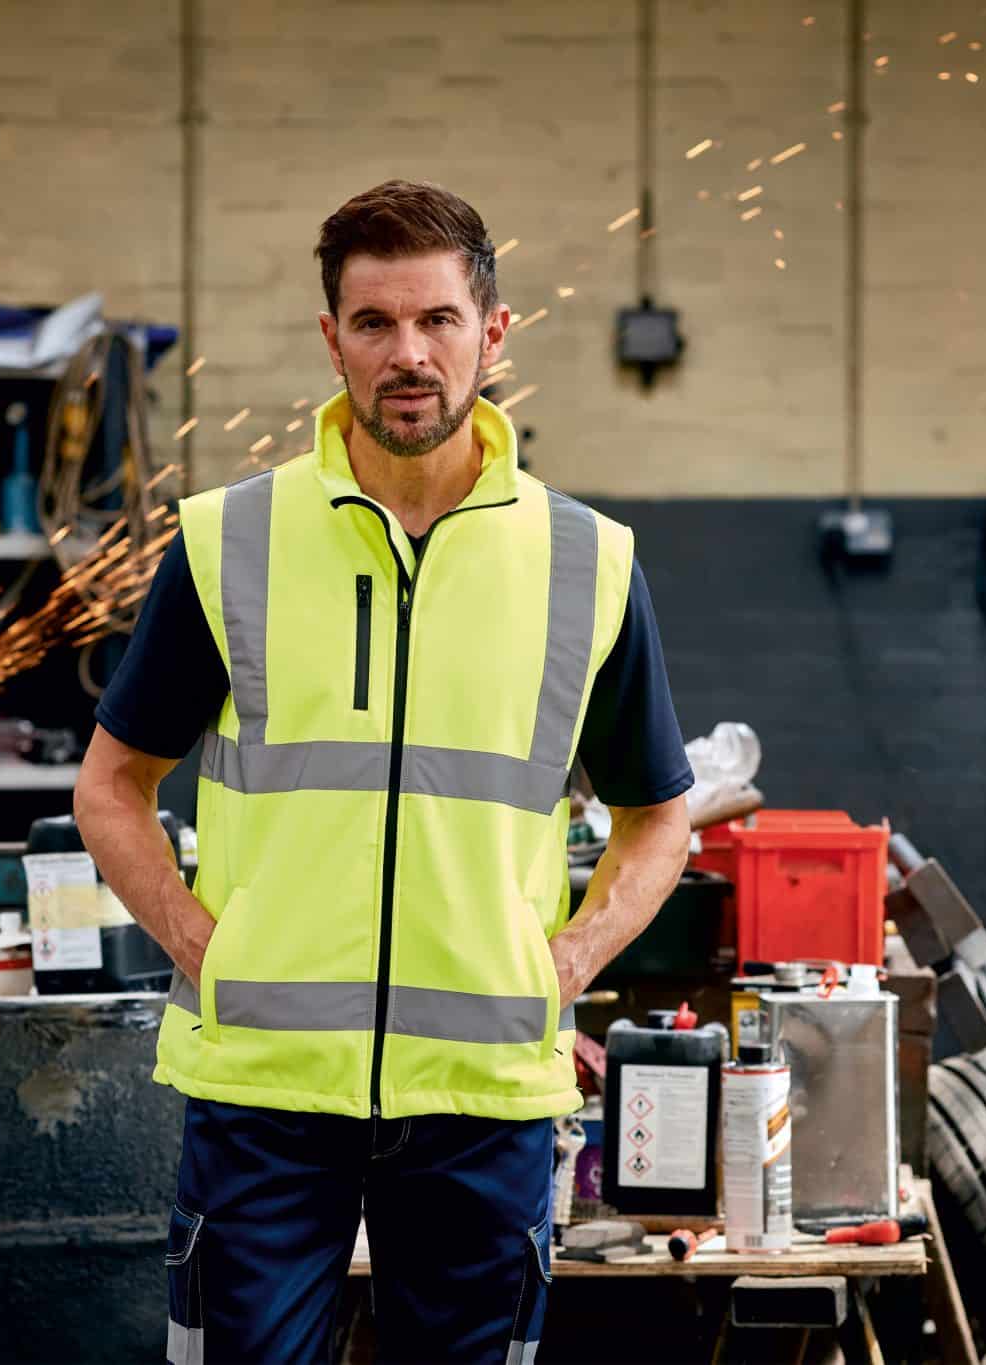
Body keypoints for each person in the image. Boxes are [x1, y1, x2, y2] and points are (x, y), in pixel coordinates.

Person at [75, 181, 695, 1362]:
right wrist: (203, 943)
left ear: (493, 332)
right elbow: (110, 784)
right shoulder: (226, 541)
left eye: (437, 321)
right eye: (373, 324)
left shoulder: (588, 563)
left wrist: (564, 960)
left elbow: (657, 815)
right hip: (265, 1091)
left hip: (483, 1099)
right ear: (331, 340)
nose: (406, 355)